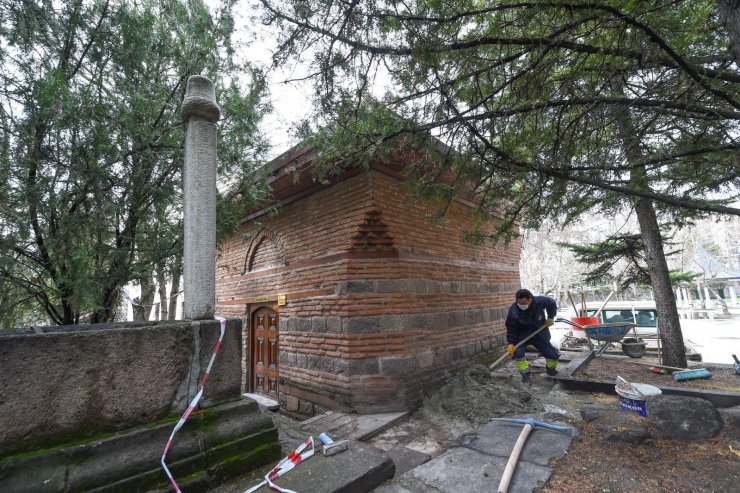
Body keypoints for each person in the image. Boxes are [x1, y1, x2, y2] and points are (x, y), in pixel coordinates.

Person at [505, 288, 560, 385]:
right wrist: (511, 343)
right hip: (522, 335)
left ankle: (550, 370)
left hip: (539, 333)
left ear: (530, 299)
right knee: (518, 354)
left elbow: (551, 303)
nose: (522, 306)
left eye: (524, 303)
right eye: (519, 303)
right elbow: (511, 328)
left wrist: (551, 317)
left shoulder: (539, 301)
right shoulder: (514, 310)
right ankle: (525, 376)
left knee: (553, 355)